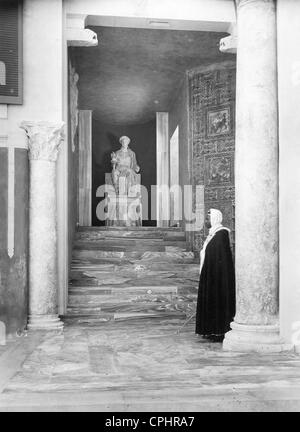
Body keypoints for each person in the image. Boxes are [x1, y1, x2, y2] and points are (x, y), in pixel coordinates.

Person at [195, 208, 235, 342]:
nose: (206, 221)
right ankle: (209, 330)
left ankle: (217, 331)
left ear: (214, 219)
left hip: (217, 277)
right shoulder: (213, 234)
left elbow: (220, 257)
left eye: (207, 219)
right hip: (210, 274)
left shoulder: (221, 234)